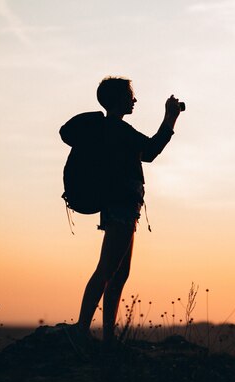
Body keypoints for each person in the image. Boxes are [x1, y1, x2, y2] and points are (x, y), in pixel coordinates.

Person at [66, 76, 182, 344]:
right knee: (107, 270)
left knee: (118, 273)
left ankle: (107, 336)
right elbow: (151, 151)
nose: (134, 100)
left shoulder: (109, 130)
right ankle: (82, 332)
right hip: (122, 206)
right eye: (131, 95)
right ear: (119, 99)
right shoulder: (118, 131)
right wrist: (170, 118)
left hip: (120, 207)